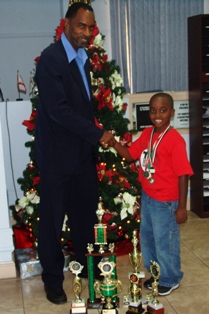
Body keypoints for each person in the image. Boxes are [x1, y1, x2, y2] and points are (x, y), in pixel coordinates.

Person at [35, 2, 115, 305]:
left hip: (82, 156)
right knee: (52, 223)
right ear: (67, 24)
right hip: (56, 158)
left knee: (84, 220)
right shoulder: (51, 60)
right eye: (81, 26)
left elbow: (82, 108)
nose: (86, 33)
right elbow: (59, 111)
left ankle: (84, 273)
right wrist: (99, 134)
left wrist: (92, 139)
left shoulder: (83, 58)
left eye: (91, 28)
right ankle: (53, 281)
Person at [106, 93, 193, 296]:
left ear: (172, 112)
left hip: (166, 202)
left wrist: (181, 206)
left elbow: (183, 175)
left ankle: (170, 278)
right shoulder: (147, 135)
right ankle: (156, 274)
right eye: (153, 111)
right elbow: (129, 155)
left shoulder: (175, 140)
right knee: (148, 239)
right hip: (148, 197)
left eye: (163, 110)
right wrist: (113, 143)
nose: (157, 115)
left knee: (165, 241)